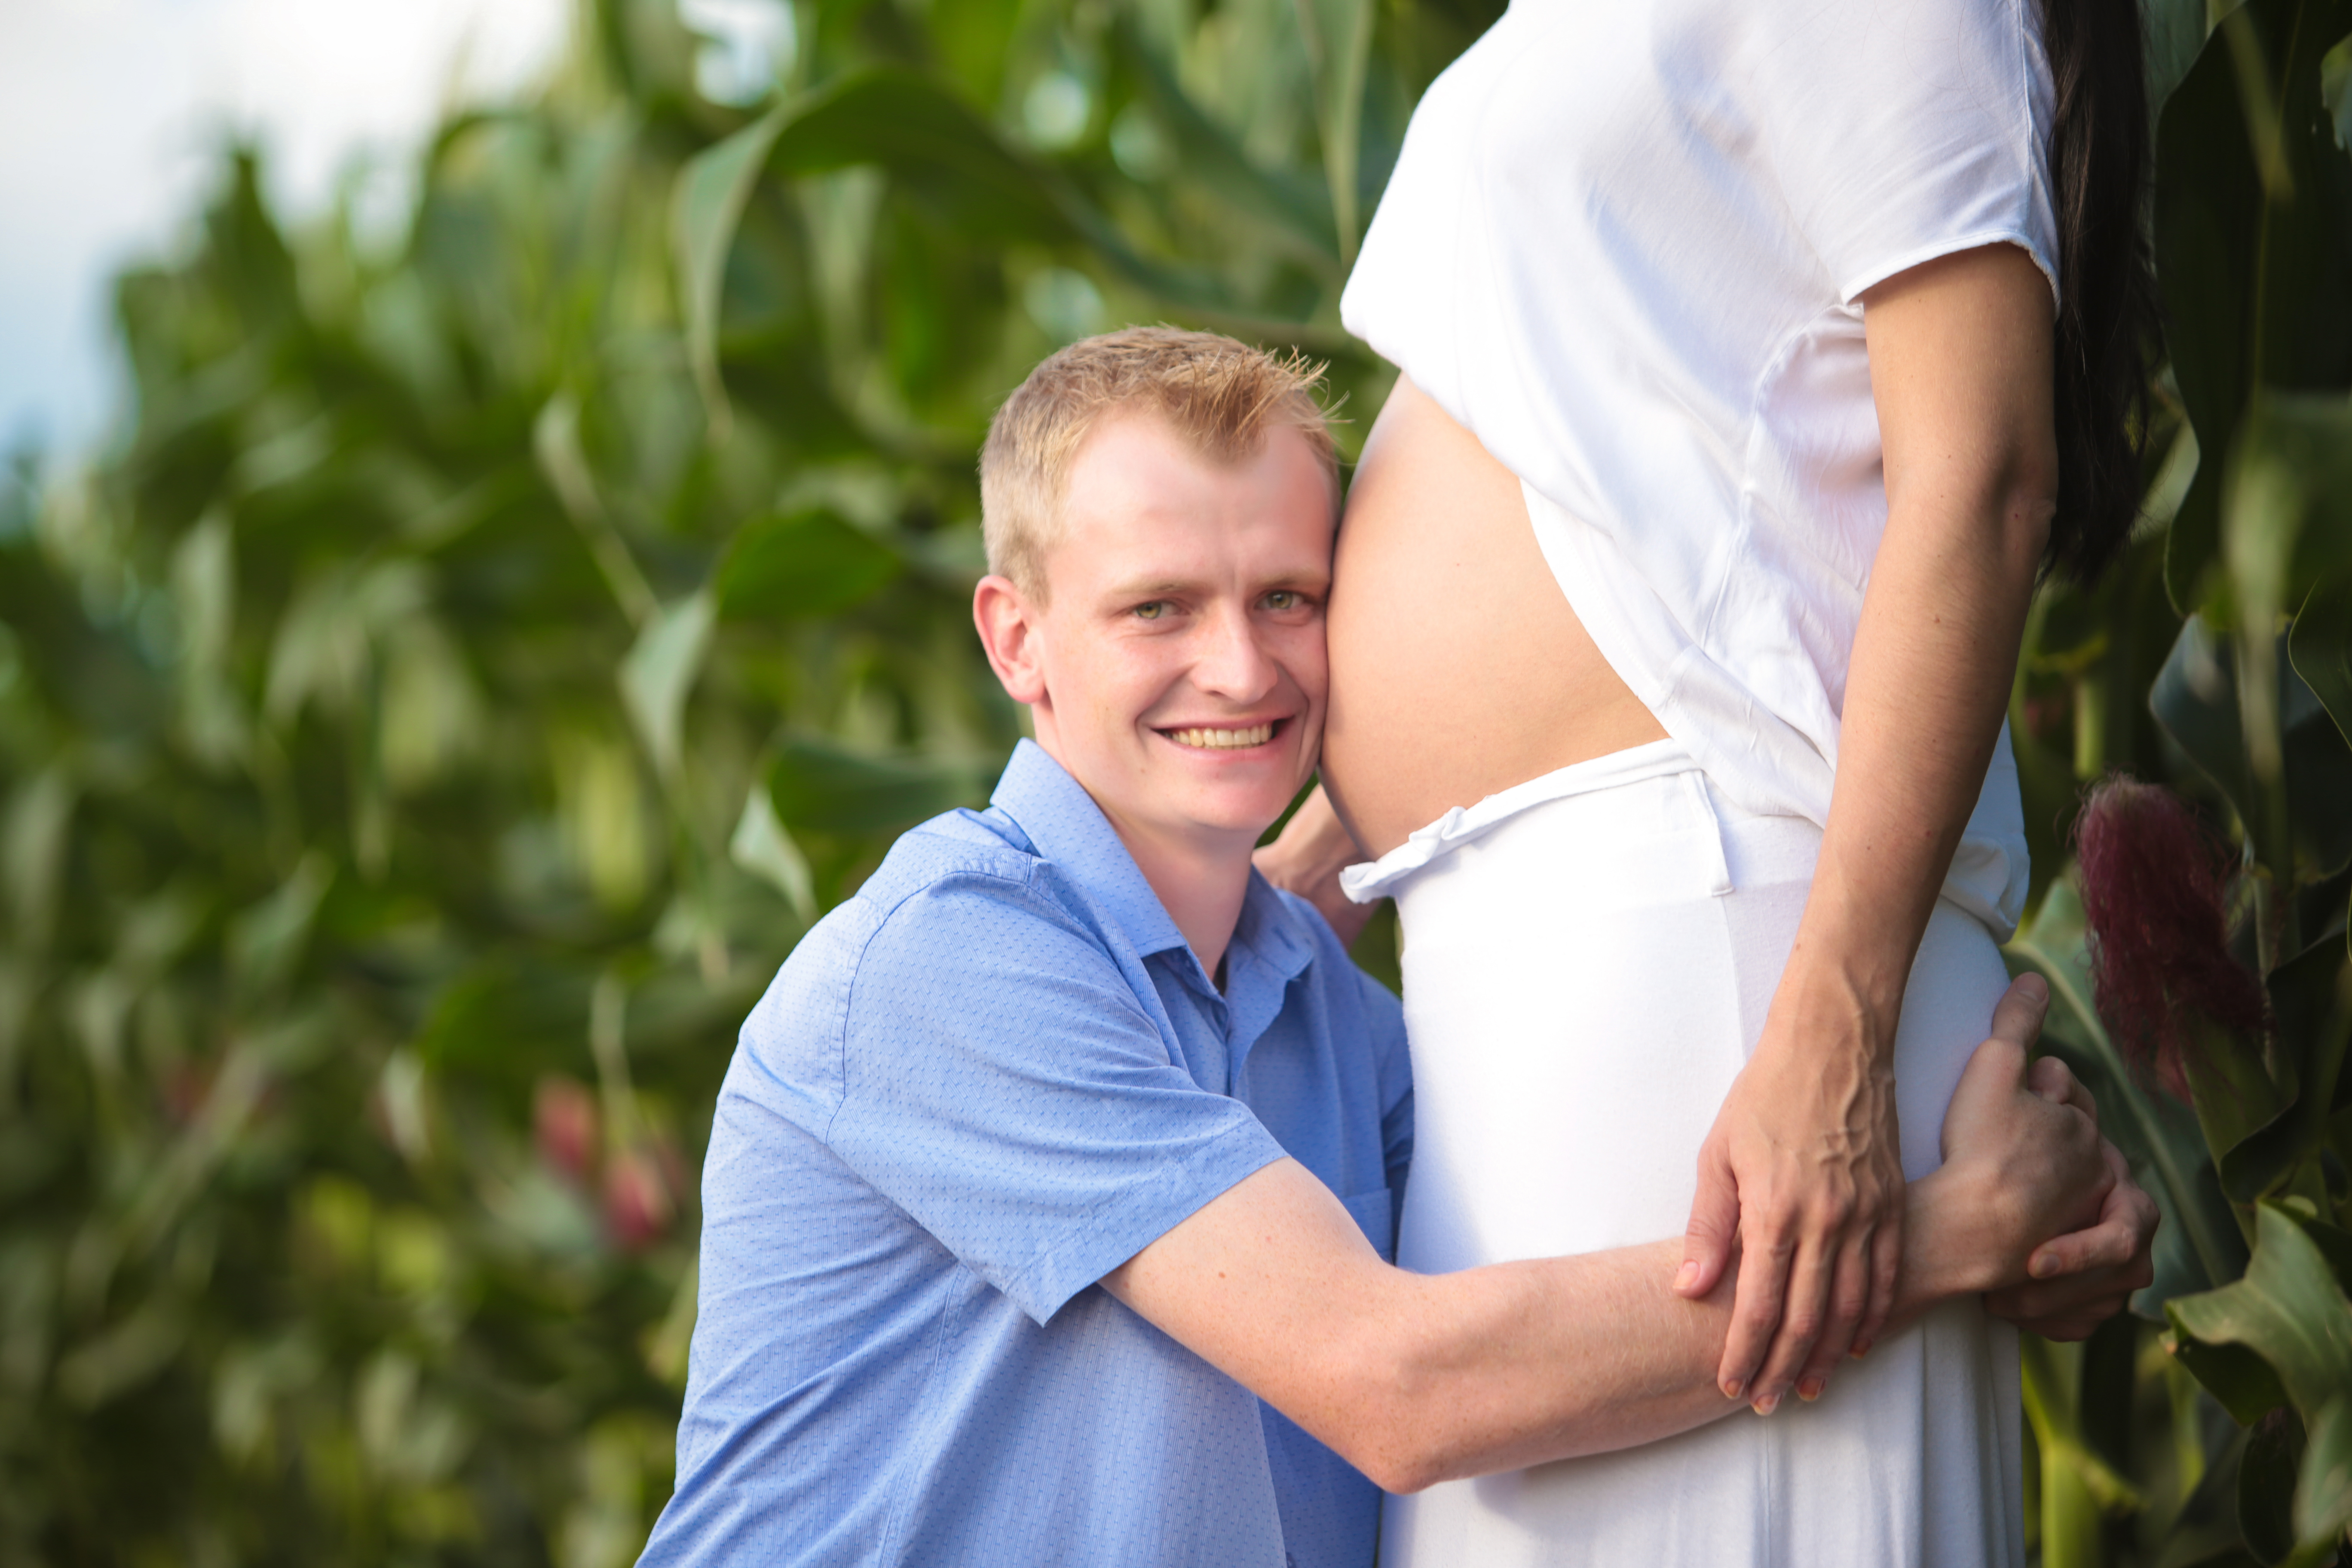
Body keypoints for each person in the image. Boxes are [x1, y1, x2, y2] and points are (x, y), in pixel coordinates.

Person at [634, 329, 2156, 1568]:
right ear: (1015, 640)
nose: (1237, 664)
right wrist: (1951, 1235)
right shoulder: (949, 962)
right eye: (1157, 607)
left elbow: (1606, 1273)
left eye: (1286, 598)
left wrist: (2041, 1215)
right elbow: (1402, 1385)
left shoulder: (1336, 1030)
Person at [1255, 0, 2159, 1562]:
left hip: (1727, 956)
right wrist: (1323, 856)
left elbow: (1984, 477)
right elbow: (1616, 449)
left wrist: (1836, 1027)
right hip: (1559, 954)